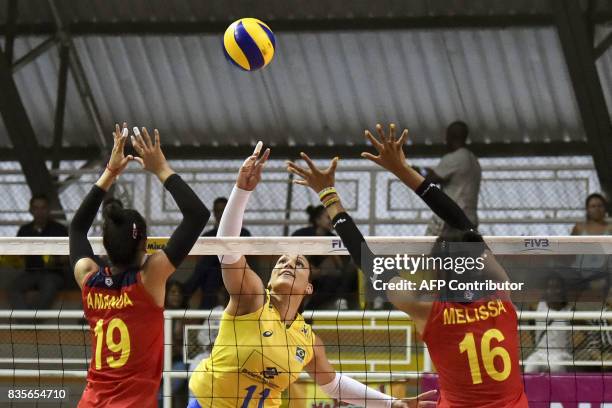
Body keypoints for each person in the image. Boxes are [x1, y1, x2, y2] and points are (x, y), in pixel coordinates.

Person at [287, 123, 528, 408]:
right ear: (480, 265)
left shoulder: (428, 312)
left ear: (438, 274)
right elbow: (460, 219)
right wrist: (402, 169)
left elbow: (366, 259)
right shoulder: (501, 293)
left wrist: (329, 194)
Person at [188, 142, 436, 408]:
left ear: (309, 288)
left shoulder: (307, 339)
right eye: (282, 261)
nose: (287, 264)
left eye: (299, 264)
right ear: (269, 281)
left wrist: (393, 404)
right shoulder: (252, 300)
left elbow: (333, 384)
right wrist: (242, 191)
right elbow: (227, 248)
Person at [70, 124, 210, 407]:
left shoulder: (88, 278)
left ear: (106, 245)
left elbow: (76, 229)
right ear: (144, 244)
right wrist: (161, 169)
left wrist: (110, 173)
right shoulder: (150, 279)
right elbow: (197, 215)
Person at [418, 121, 481, 235]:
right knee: (464, 252)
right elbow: (441, 175)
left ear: (452, 136)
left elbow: (430, 181)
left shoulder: (454, 157)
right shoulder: (473, 160)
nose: (445, 140)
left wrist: (416, 172)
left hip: (452, 220)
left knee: (432, 251)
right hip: (469, 220)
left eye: (446, 136)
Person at [187, 197, 251, 309]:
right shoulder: (207, 236)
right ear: (214, 213)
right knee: (212, 275)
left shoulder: (244, 233)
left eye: (224, 210)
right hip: (211, 281)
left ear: (230, 212)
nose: (221, 214)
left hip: (237, 276)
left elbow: (249, 262)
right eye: (218, 210)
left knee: (215, 260)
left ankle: (186, 290)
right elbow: (200, 266)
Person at [292, 205, 358, 309]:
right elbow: (292, 258)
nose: (331, 220)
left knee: (338, 277)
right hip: (300, 273)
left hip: (321, 278)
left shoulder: (332, 238)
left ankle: (310, 310)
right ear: (318, 219)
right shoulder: (301, 234)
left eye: (333, 218)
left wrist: (331, 252)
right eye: (328, 217)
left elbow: (340, 267)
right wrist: (309, 269)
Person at [10, 194, 68, 310]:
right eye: (36, 208)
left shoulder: (59, 229)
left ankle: (35, 321)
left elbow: (69, 256)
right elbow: (17, 257)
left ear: (49, 210)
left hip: (53, 274)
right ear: (31, 210)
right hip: (30, 273)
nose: (40, 212)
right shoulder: (24, 230)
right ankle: (26, 320)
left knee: (49, 285)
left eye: (43, 208)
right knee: (13, 288)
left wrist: (55, 260)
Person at [523, 274, 573, 373]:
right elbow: (531, 323)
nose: (553, 291)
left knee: (555, 367)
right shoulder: (536, 306)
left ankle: (561, 388)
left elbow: (588, 328)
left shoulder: (570, 311)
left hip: (561, 354)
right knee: (530, 367)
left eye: (557, 287)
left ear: (562, 290)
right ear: (545, 290)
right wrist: (535, 338)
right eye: (550, 287)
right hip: (540, 353)